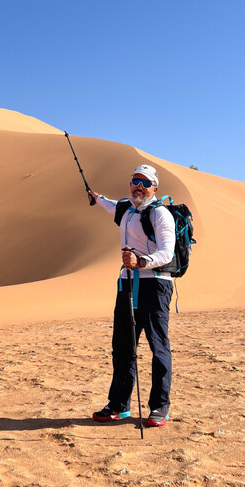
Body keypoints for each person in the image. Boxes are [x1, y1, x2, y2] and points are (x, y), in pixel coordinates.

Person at [88, 164, 177, 427]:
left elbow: (167, 253)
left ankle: (159, 407)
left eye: (145, 183)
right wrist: (96, 198)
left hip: (155, 284)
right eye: (135, 181)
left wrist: (141, 260)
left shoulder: (161, 215)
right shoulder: (125, 209)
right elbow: (109, 204)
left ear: (154, 188)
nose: (139, 186)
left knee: (158, 346)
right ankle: (118, 404)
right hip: (126, 283)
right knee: (123, 346)